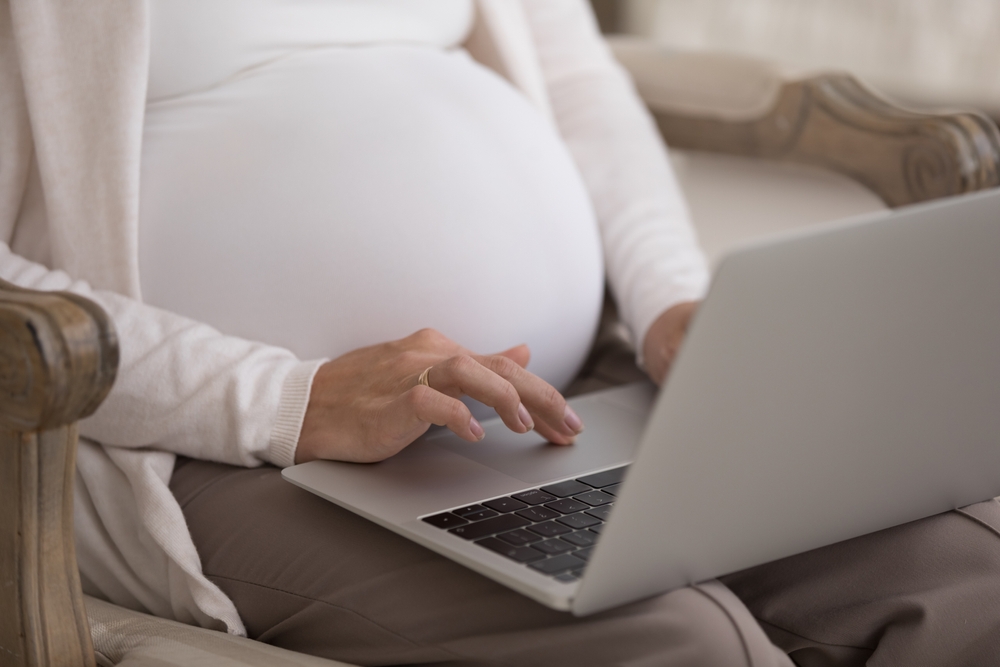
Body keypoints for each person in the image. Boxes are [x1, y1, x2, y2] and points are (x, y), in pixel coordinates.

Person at [2, 1, 999, 665]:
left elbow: (574, 84)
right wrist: (286, 399)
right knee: (677, 646)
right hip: (214, 453)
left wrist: (669, 304)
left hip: (568, 391)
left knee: (957, 581)